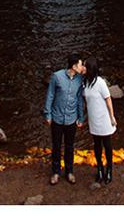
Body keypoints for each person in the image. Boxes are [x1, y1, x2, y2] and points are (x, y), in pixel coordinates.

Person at [43, 55, 86, 184]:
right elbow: (50, 95)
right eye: (80, 65)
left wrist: (80, 117)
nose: (82, 67)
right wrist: (48, 114)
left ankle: (69, 171)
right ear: (74, 67)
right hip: (56, 118)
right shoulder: (57, 77)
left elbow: (79, 99)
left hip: (71, 119)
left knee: (69, 147)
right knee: (56, 146)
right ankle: (55, 172)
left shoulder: (80, 80)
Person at [82, 57, 117, 183]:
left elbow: (108, 99)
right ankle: (100, 168)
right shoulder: (85, 82)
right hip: (93, 119)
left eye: (85, 66)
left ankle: (109, 170)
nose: (83, 68)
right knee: (97, 146)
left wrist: (112, 117)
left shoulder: (100, 82)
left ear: (90, 68)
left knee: (107, 146)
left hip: (104, 119)